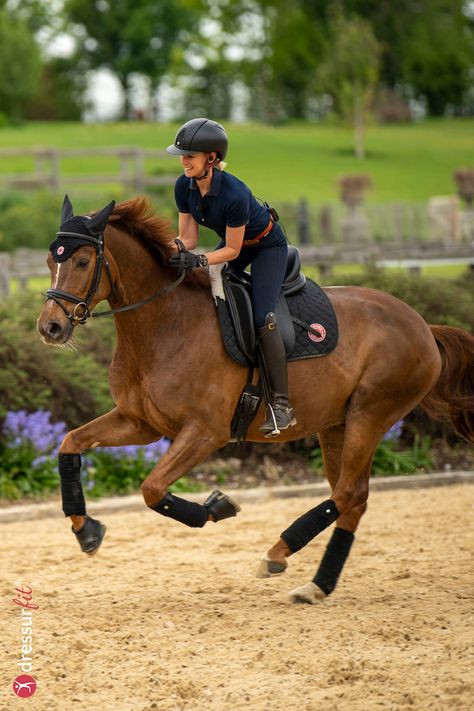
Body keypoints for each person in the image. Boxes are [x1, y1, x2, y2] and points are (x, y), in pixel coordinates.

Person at [167, 117, 296, 435]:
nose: (183, 161)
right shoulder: (184, 186)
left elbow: (233, 252)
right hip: (234, 245)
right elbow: (188, 237)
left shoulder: (235, 194)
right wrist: (167, 251)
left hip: (266, 247)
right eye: (182, 155)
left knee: (261, 317)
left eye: (190, 156)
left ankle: (281, 405)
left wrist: (197, 260)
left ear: (211, 158)